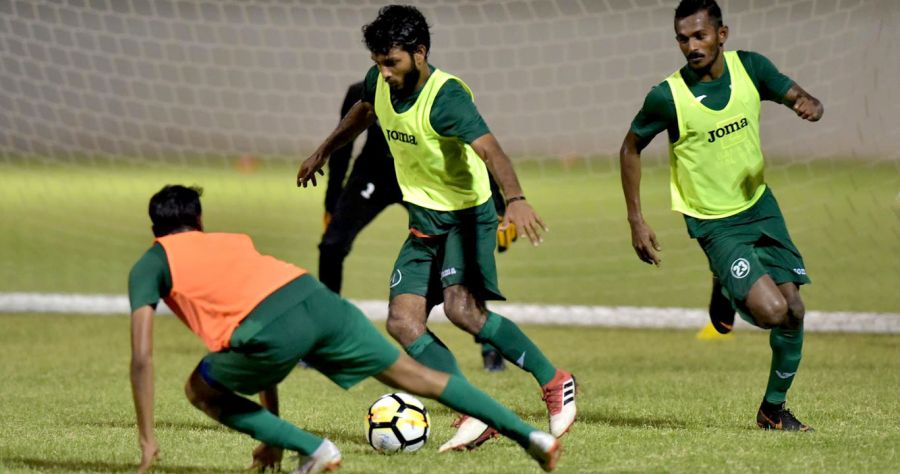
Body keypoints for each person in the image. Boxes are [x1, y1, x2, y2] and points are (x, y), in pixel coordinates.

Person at [128, 185, 563, 474]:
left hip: (268, 329)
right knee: (422, 379)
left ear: (153, 231)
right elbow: (270, 349)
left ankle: (315, 449)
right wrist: (272, 436)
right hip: (321, 303)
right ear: (200, 221)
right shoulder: (231, 241)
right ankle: (531, 436)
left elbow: (143, 357)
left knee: (199, 389)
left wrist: (148, 442)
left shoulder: (151, 262)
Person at [297, 5, 576, 451]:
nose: (383, 73)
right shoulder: (379, 83)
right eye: (378, 63)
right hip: (425, 222)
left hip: (466, 218)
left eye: (392, 62)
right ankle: (473, 413)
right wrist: (324, 150)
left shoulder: (447, 98)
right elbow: (363, 112)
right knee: (403, 322)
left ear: (420, 53)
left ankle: (554, 380)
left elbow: (491, 151)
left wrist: (516, 200)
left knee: (462, 311)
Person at [619, 0, 823, 431]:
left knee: (796, 310)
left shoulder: (751, 69)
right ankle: (731, 286)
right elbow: (630, 147)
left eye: (700, 35)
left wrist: (809, 104)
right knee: (771, 312)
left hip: (761, 209)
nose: (691, 45)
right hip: (713, 223)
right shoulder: (667, 96)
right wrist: (636, 219)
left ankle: (773, 409)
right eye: (682, 38)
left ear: (722, 34)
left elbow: (801, 97)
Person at [319, 81, 515, 372]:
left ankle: (489, 345)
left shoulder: (437, 96)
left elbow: (470, 149)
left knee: (461, 251)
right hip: (372, 175)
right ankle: (325, 340)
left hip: (420, 181)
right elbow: (341, 147)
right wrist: (331, 203)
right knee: (332, 245)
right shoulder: (364, 90)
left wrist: (500, 206)